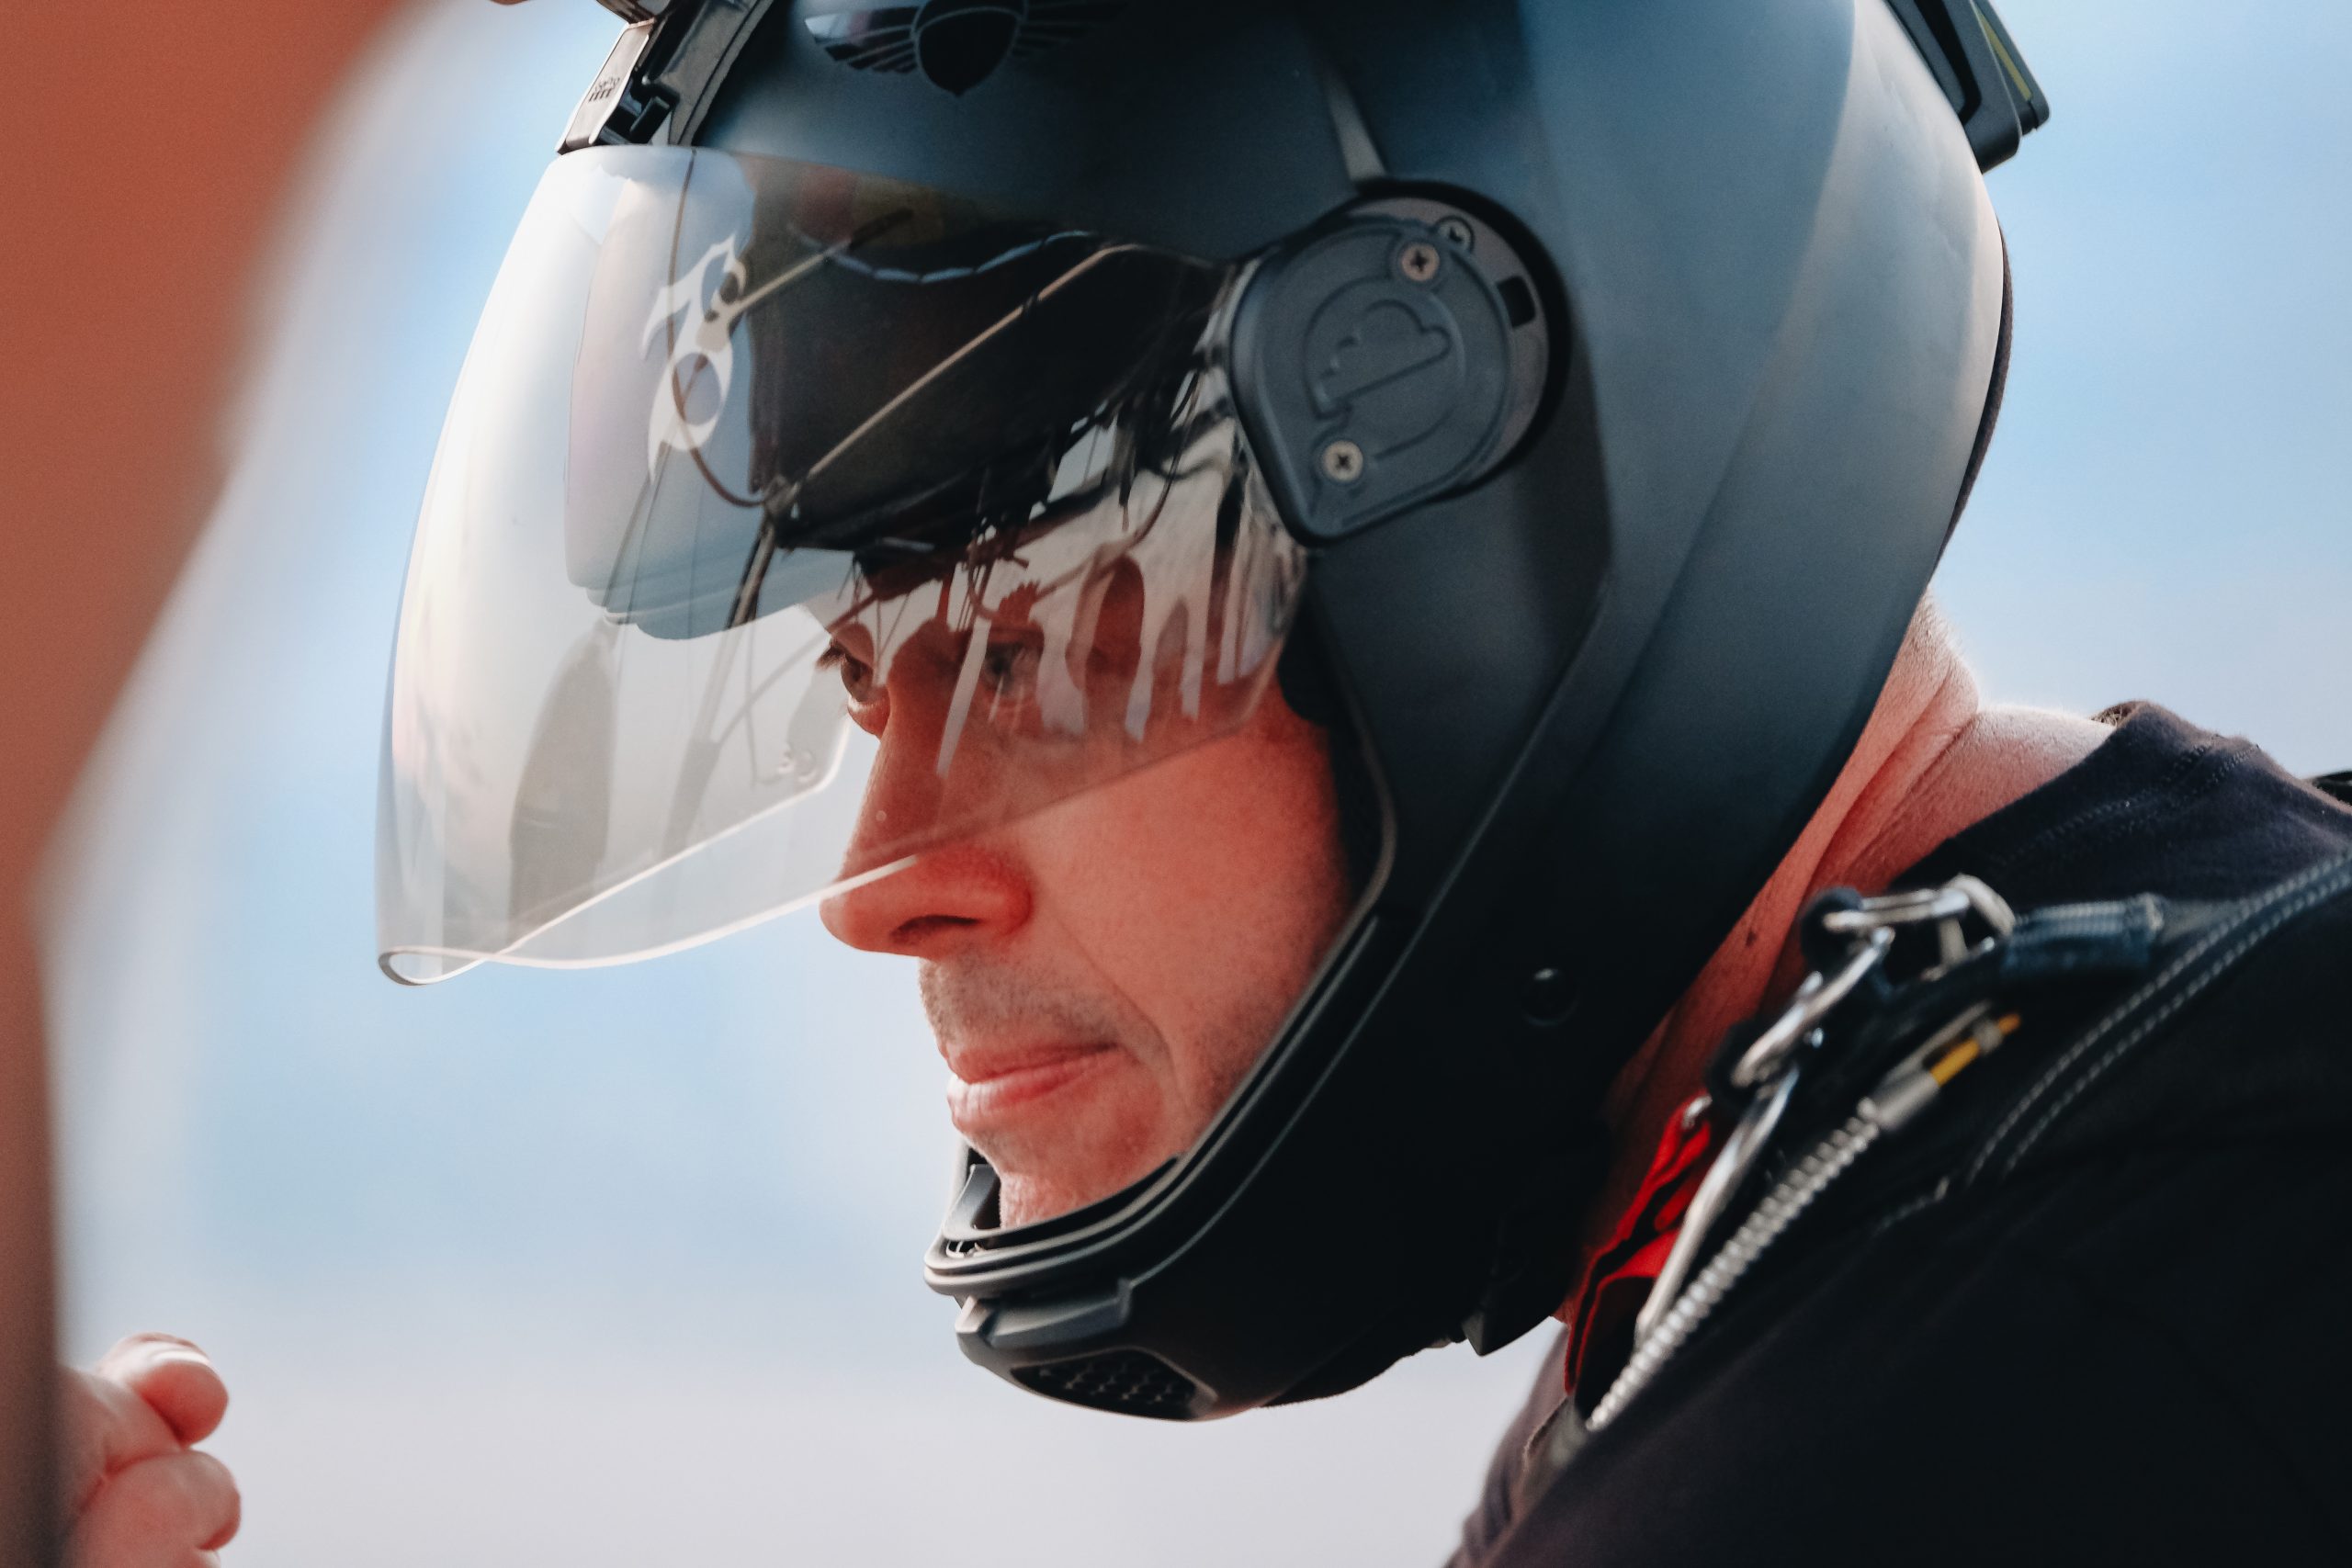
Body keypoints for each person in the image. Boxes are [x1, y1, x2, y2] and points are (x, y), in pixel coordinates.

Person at [95, 0, 2352, 1562]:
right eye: (877, 684)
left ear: (1497, 534)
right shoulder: (2012, 1170)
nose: (879, 885)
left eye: (1030, 648)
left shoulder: (2020, 1393)